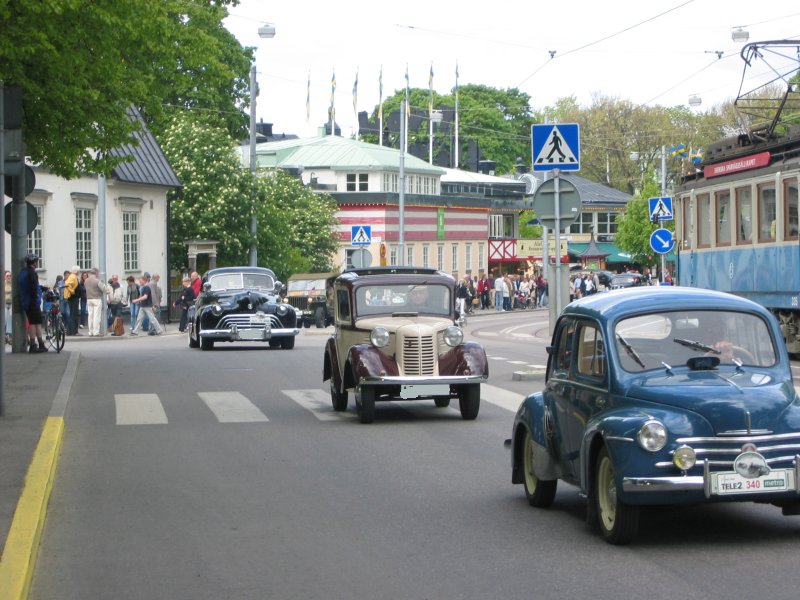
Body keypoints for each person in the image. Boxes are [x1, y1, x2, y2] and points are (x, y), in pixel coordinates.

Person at [18, 254, 47, 352]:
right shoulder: (32, 273)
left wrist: (42, 288)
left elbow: (32, 286)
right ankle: (33, 345)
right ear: (34, 262)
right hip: (32, 302)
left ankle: (40, 343)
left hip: (27, 301)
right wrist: (35, 299)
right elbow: (33, 287)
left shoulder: (23, 272)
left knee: (36, 322)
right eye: (36, 261)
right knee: (34, 323)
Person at [85, 267, 106, 337]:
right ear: (96, 273)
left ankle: (90, 332)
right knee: (96, 316)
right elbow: (104, 289)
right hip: (96, 299)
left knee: (90, 316)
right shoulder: (97, 281)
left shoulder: (86, 280)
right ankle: (96, 332)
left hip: (89, 299)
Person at [64, 266, 80, 335]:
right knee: (74, 315)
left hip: (71, 297)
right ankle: (74, 331)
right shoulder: (73, 276)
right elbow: (67, 284)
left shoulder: (71, 276)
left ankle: (70, 331)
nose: (79, 272)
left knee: (72, 314)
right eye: (78, 271)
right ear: (76, 271)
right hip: (73, 297)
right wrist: (72, 291)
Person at [4, 270, 12, 344]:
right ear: (4, 277)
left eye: (10, 276)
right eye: (7, 276)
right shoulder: (3, 284)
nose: (9, 277)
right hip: (4, 304)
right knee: (5, 318)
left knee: (9, 317)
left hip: (11, 304)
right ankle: (6, 336)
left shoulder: (13, 285)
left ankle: (9, 336)